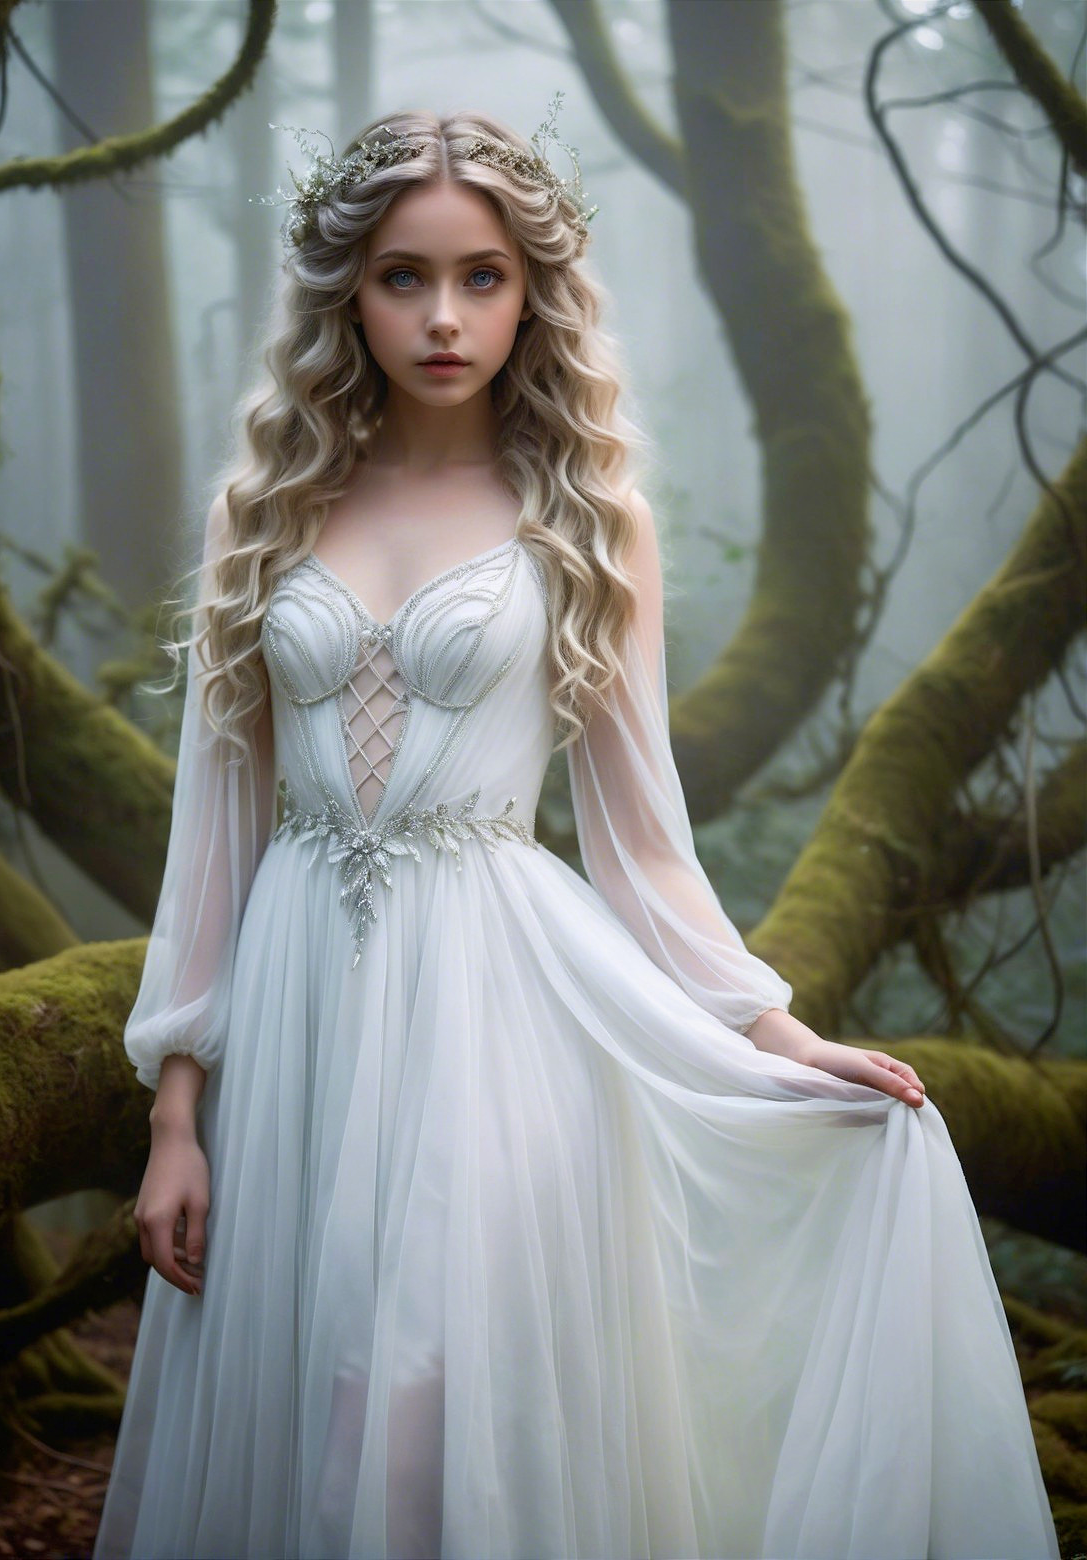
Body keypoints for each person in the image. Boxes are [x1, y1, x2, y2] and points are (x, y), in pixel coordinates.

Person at [92, 103, 1058, 1560]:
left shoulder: (589, 521)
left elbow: (640, 837)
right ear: (346, 292)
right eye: (402, 277)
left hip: (494, 1009)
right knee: (312, 1400)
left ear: (533, 288)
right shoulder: (262, 512)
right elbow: (215, 831)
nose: (442, 315)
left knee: (428, 1397)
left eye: (482, 275)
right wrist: (176, 1114)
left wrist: (776, 1035)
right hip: (294, 1019)